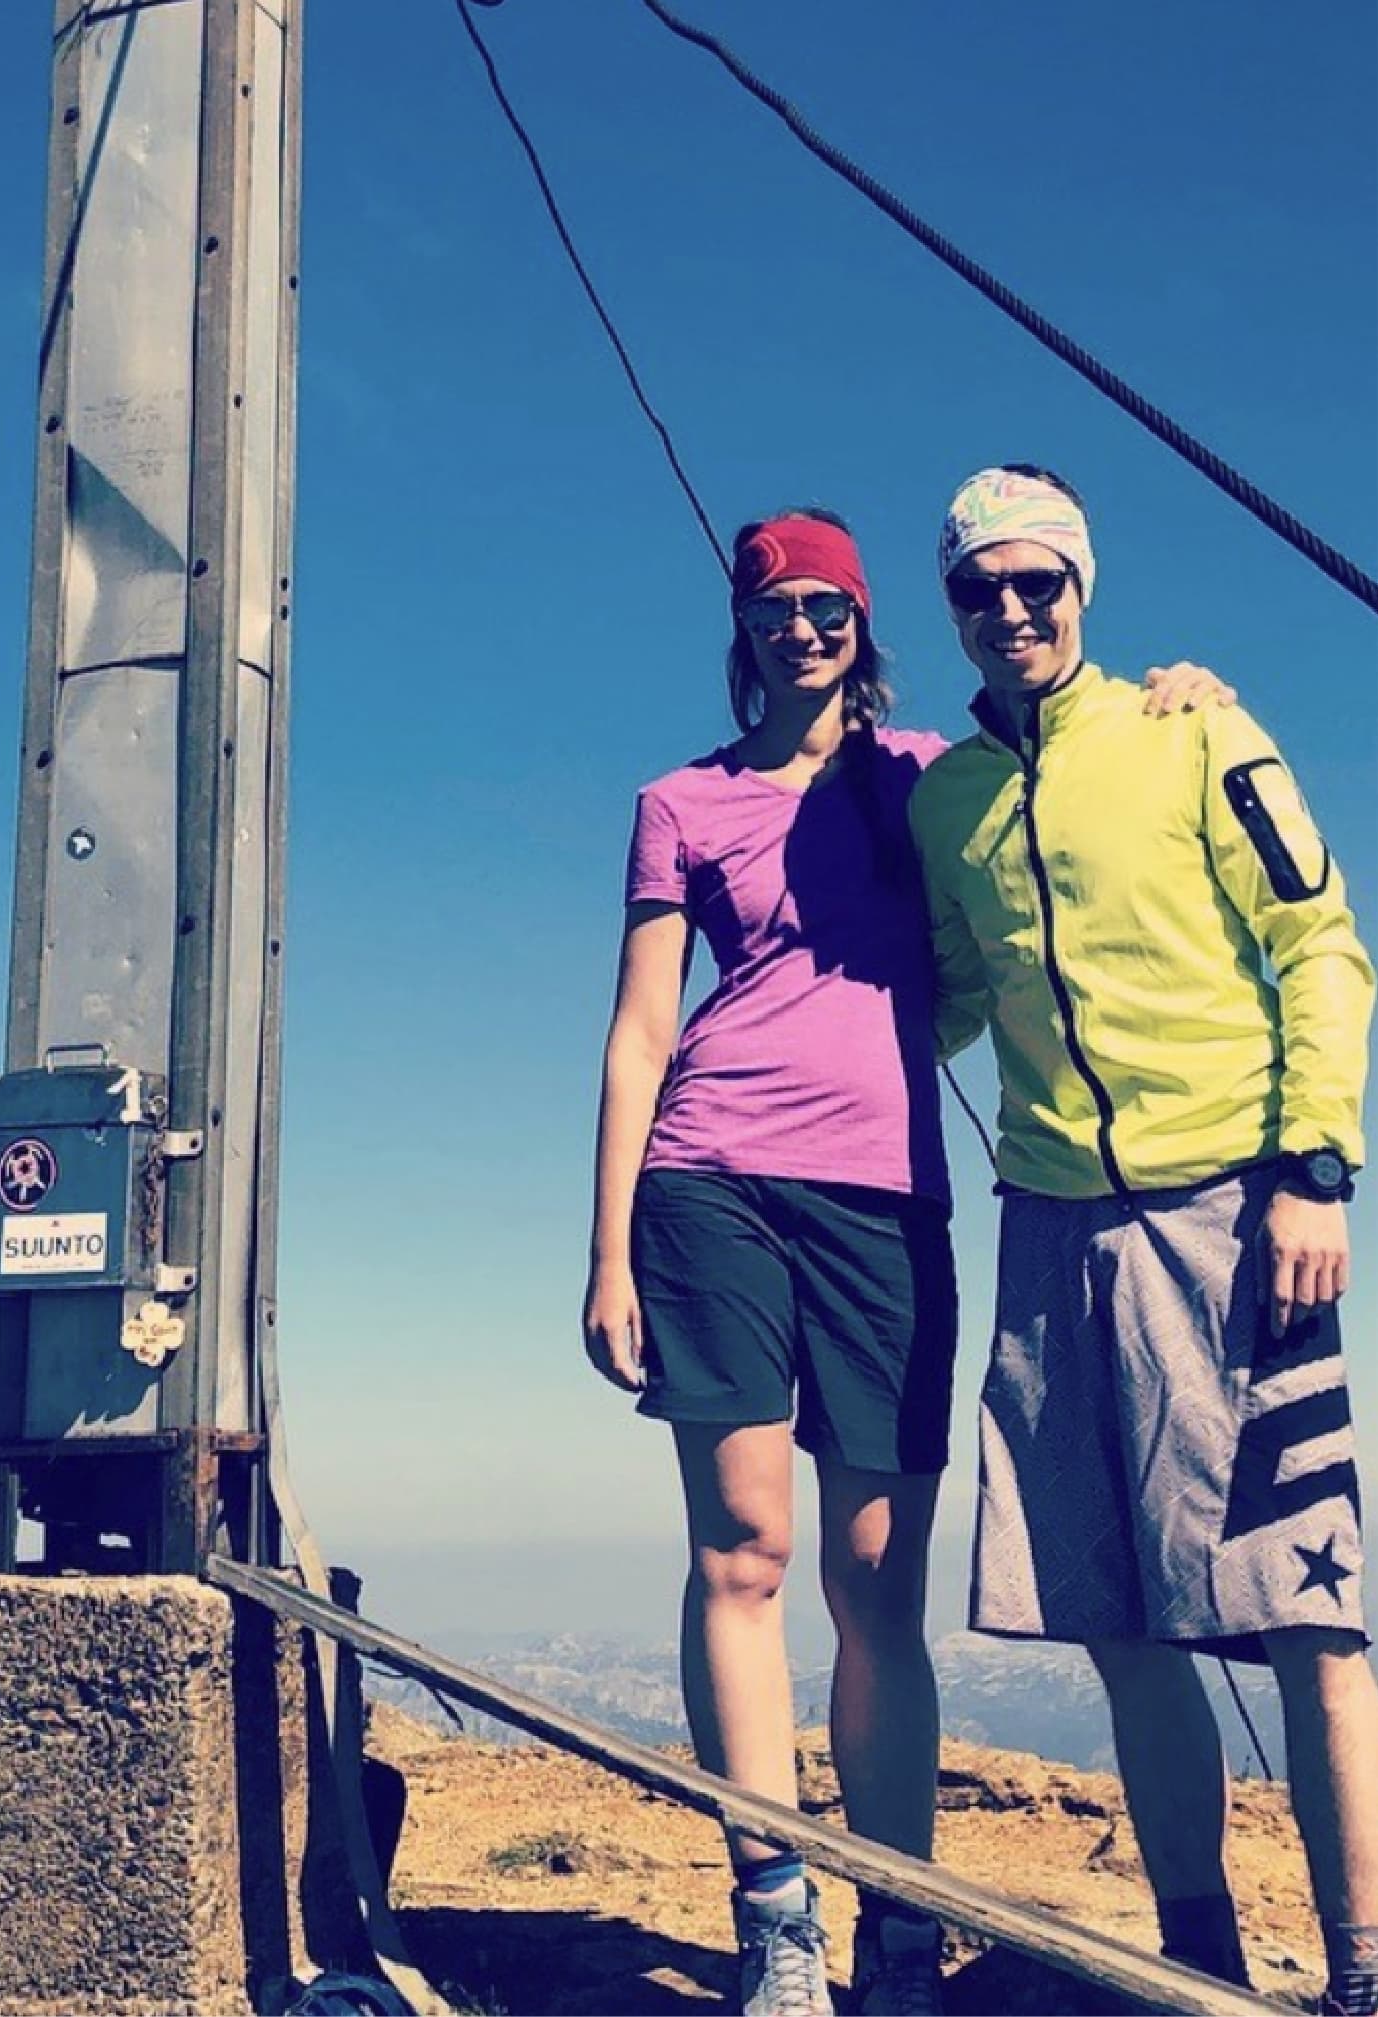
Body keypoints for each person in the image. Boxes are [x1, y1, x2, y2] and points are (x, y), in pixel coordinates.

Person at [581, 507, 1222, 2017]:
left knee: (879, 1580)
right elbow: (639, 1028)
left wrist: (1172, 698)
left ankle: (899, 1921)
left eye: (827, 606)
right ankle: (775, 1924)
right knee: (741, 1550)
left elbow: (1061, 770)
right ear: (741, 630)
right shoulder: (676, 800)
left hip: (887, 1196)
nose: (801, 628)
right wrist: (606, 1246)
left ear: (861, 626)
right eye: (775, 606)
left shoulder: (928, 778)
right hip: (708, 1182)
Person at [907, 464, 1378, 2014]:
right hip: (1051, 1233)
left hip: (1236, 1212)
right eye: (981, 586)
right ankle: (1200, 1963)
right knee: (1117, 1623)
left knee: (1306, 1608)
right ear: (953, 604)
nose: (1012, 608)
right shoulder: (945, 800)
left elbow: (1316, 938)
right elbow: (962, 998)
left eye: (1038, 580)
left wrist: (1315, 1162)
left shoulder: (1189, 728)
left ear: (1082, 588)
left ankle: (1364, 1972)